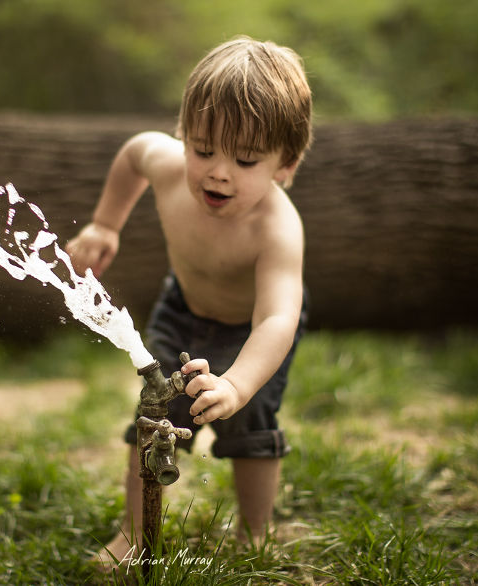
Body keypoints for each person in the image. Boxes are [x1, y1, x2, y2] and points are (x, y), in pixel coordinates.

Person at [66, 35, 312, 567]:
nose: (218, 171)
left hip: (254, 330)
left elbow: (277, 316)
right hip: (182, 308)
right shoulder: (169, 167)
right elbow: (134, 153)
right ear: (183, 136)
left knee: (252, 425)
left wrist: (238, 383)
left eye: (246, 160)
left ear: (284, 165)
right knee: (155, 413)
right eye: (203, 150)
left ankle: (255, 532)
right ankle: (135, 532)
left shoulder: (278, 228)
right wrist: (106, 224)